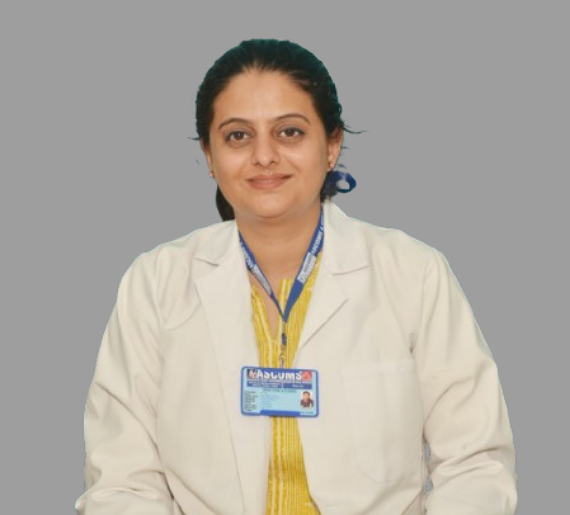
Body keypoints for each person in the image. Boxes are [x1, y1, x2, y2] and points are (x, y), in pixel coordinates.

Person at [75, 38, 518, 514]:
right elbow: (122, 481)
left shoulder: (413, 274)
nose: (264, 156)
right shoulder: (155, 283)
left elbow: (475, 465)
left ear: (331, 145)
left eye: (289, 132)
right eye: (237, 136)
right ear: (209, 155)